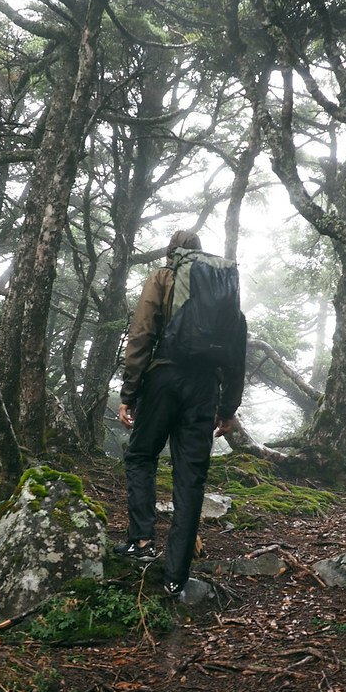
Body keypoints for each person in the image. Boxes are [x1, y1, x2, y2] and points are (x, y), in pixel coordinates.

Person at [114, 230, 247, 597]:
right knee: (190, 479)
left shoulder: (163, 277)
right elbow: (238, 348)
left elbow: (142, 332)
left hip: (164, 377)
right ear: (200, 255)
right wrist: (227, 408)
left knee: (141, 455)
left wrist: (130, 392)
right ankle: (176, 576)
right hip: (206, 389)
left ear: (173, 253)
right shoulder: (223, 286)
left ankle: (142, 542)